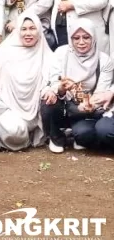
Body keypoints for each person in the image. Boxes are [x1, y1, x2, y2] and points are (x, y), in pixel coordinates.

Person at [0, 13, 50, 151]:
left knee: (19, 130)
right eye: (24, 29)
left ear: (39, 30)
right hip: (6, 104)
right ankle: (9, 132)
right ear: (18, 31)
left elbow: (53, 81)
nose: (28, 33)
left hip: (34, 111)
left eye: (32, 28)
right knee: (15, 130)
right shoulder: (6, 49)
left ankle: (22, 132)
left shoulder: (46, 54)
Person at [41, 18, 114, 154]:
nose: (81, 42)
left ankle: (76, 134)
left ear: (93, 38)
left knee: (83, 134)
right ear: (70, 38)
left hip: (88, 106)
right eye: (76, 38)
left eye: (86, 37)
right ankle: (55, 136)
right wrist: (61, 88)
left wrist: (89, 103)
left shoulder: (103, 60)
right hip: (65, 102)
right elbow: (53, 81)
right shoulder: (61, 54)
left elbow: (101, 91)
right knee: (48, 97)